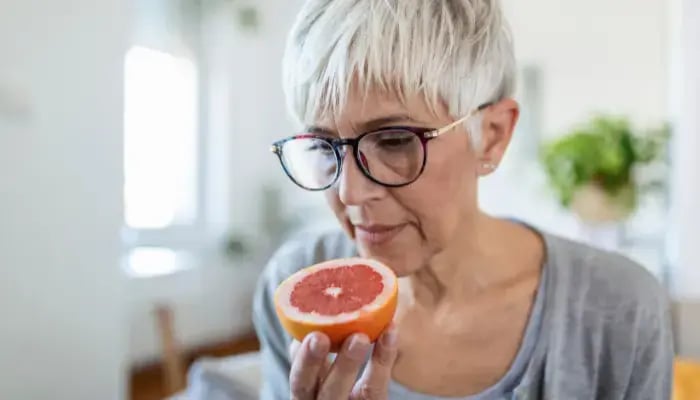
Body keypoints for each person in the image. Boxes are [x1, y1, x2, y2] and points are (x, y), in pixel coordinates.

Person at [253, 0, 674, 399]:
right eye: (324, 146)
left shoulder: (618, 311)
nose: (349, 192)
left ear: (492, 136)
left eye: (396, 141)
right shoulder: (298, 293)